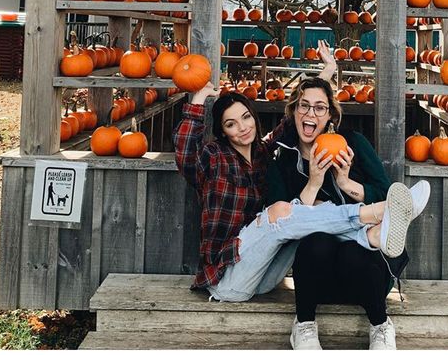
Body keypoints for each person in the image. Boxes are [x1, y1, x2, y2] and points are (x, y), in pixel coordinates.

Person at [174, 42, 427, 318]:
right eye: (230, 124)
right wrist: (197, 101)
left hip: (262, 277)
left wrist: (328, 72)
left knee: (304, 214)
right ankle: (376, 215)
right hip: (227, 278)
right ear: (223, 132)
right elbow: (186, 155)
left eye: (246, 117)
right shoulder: (213, 157)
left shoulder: (262, 153)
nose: (242, 127)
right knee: (281, 211)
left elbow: (302, 115)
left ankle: (373, 230)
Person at [267, 74, 427, 350]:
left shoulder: (352, 143)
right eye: (303, 106)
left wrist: (345, 182)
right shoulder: (281, 157)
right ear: (293, 111)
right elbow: (282, 219)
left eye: (319, 107)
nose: (310, 113)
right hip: (316, 275)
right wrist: (314, 181)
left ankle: (380, 324)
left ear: (330, 115)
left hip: (362, 272)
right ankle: (304, 324)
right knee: (316, 241)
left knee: (354, 252)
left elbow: (387, 191)